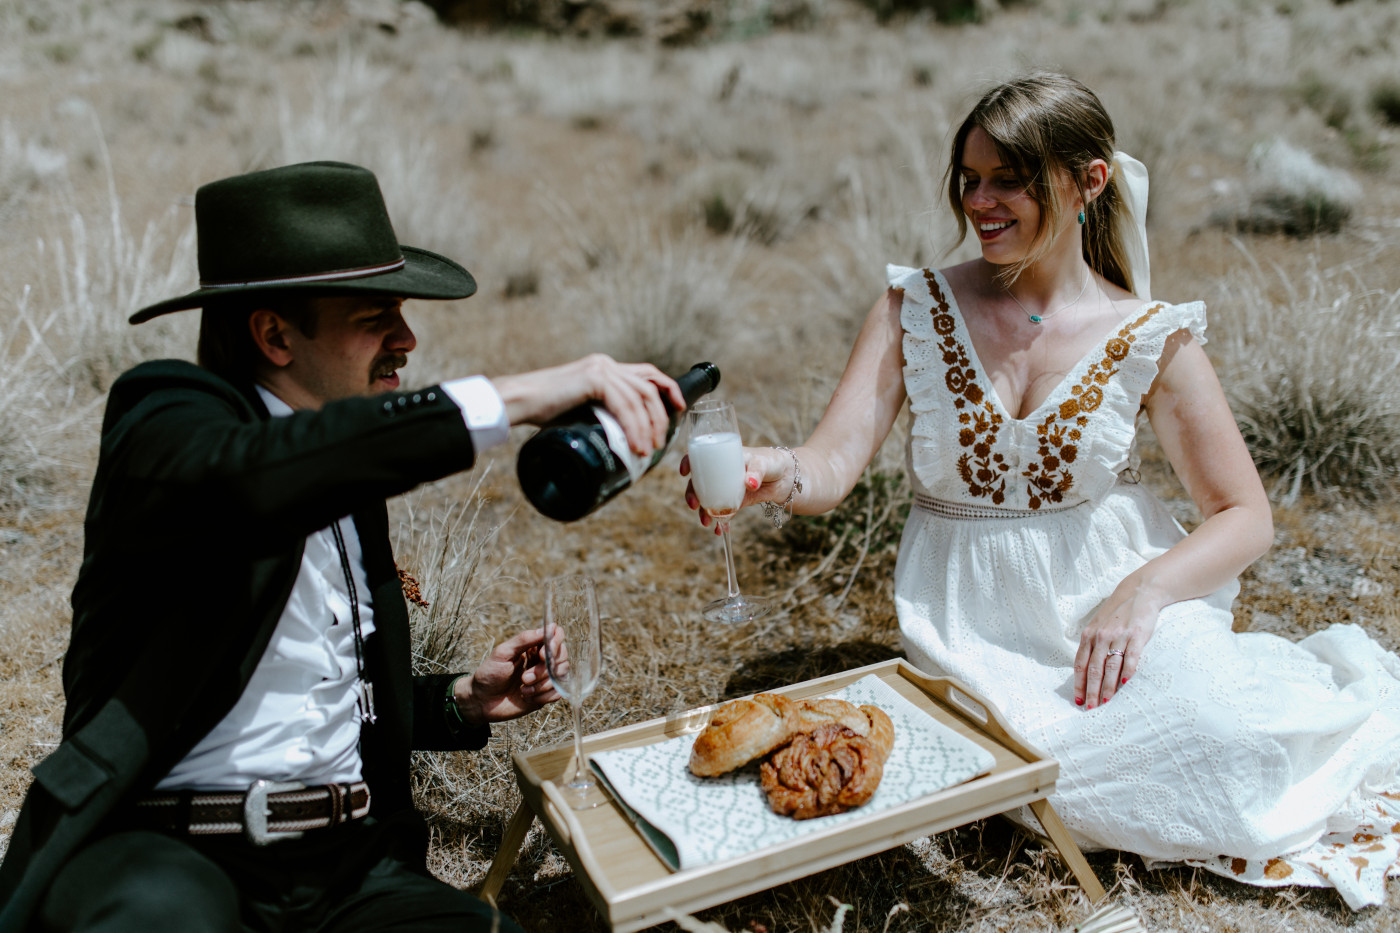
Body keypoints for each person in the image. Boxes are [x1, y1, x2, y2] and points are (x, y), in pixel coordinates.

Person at [685, 73, 1400, 909]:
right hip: (975, 622)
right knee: (1047, 780)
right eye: (970, 179)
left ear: (1087, 181)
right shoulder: (913, 306)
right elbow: (830, 466)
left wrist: (1143, 591)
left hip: (1121, 598)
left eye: (1008, 180)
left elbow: (1245, 515)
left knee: (1230, 736)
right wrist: (773, 473)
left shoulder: (1148, 333)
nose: (980, 201)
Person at [0, 160, 685, 933]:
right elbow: (252, 480)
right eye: (375, 314)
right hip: (171, 852)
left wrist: (461, 697)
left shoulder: (351, 482)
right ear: (273, 334)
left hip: (352, 868)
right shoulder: (166, 420)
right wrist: (520, 396)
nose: (408, 338)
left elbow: (307, 687)